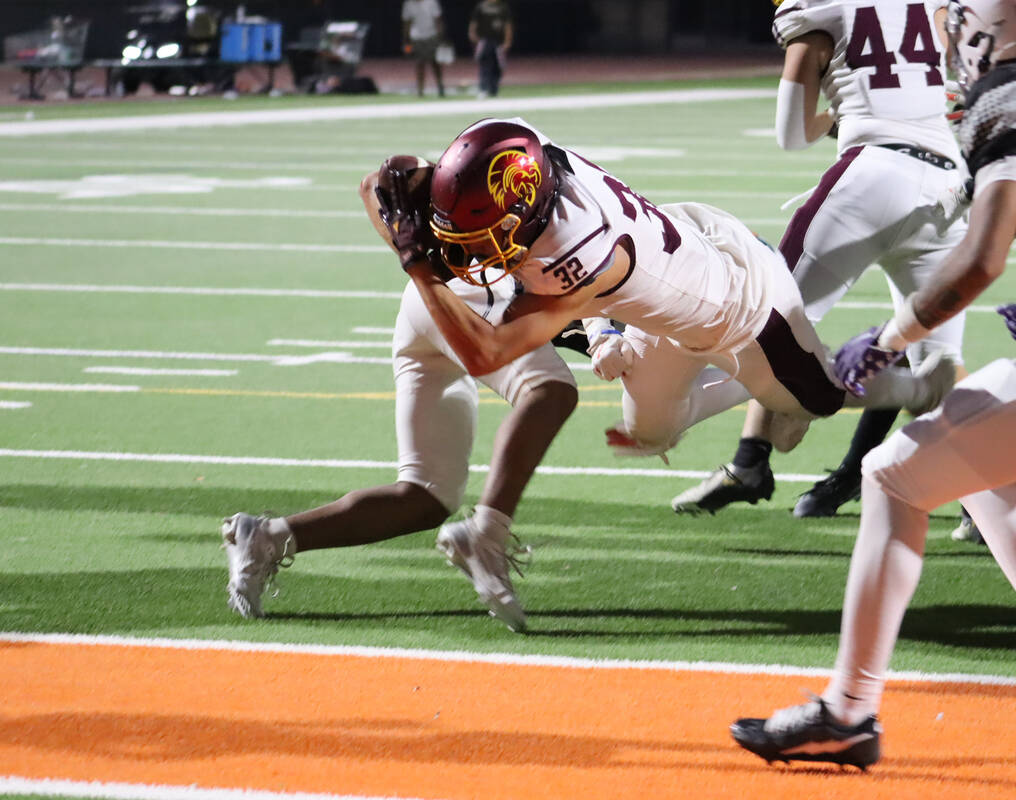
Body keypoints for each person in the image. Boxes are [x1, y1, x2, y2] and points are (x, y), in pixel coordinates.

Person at [731, 0, 1016, 770]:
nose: (951, 34)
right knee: (967, 429)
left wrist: (889, 339)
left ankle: (848, 711)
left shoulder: (1010, 97)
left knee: (892, 477)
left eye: (960, 21)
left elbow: (981, 258)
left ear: (992, 25)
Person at [373, 118, 956, 475]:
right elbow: (382, 180)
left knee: (819, 398)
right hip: (662, 289)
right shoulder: (512, 149)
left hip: (743, 301)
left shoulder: (580, 253)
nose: (476, 255)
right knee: (649, 434)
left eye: (484, 239)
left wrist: (416, 265)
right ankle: (761, 390)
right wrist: (408, 183)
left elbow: (486, 353)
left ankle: (913, 381)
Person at [221, 158, 579, 633]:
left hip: (432, 311)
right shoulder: (508, 175)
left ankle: (267, 537)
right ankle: (487, 535)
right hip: (464, 301)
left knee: (426, 495)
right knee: (549, 391)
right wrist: (416, 261)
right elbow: (375, 184)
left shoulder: (575, 207)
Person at [670, 0, 970, 516]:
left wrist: (844, 113)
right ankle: (982, 506)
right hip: (948, 188)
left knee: (769, 319)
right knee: (939, 364)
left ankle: (761, 441)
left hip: (872, 177)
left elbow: (791, 134)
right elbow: (953, 82)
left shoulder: (816, 14)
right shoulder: (932, 8)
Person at [401, 0, 445, 97]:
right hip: (416, 38)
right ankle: (420, 90)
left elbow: (438, 20)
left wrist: (440, 37)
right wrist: (406, 41)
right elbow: (407, 23)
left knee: (435, 63)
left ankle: (440, 86)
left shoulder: (432, 2)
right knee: (419, 63)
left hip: (432, 36)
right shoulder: (408, 4)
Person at [469, 0, 513, 98]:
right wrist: (472, 34)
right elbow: (474, 22)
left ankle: (494, 90)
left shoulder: (502, 7)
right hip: (485, 40)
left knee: (498, 66)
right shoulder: (481, 6)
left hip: (498, 41)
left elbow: (507, 24)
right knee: (485, 64)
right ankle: (483, 89)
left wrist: (507, 40)